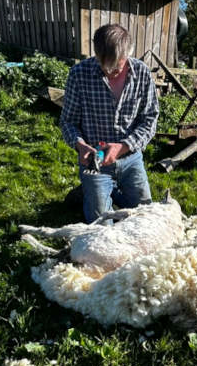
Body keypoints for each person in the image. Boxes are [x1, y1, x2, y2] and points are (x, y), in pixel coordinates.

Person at [60, 24, 159, 222]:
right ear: (96, 54)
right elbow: (68, 121)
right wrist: (80, 146)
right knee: (101, 224)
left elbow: (150, 118)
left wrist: (123, 147)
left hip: (130, 158)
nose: (109, 72)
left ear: (128, 54)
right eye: (104, 66)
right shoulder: (79, 74)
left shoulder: (141, 73)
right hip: (95, 162)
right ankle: (96, 189)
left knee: (146, 217)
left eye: (116, 68)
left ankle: (105, 191)